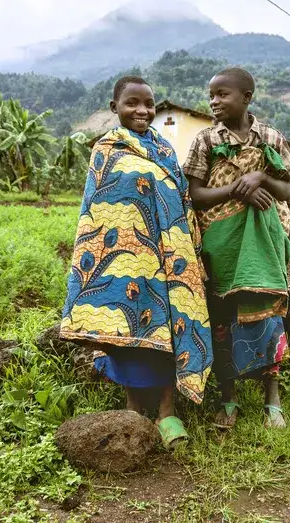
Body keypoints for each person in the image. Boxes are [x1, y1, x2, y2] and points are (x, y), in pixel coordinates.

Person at [60, 76, 212, 449]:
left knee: (167, 327)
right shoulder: (107, 149)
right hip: (120, 261)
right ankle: (131, 410)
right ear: (115, 108)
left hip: (166, 260)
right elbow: (96, 211)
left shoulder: (164, 149)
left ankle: (166, 412)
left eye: (148, 103)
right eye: (132, 103)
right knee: (125, 332)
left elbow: (180, 202)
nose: (142, 110)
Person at [184, 67, 290, 430]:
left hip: (264, 241)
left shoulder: (270, 138)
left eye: (223, 94)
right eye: (211, 95)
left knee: (267, 312)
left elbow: (286, 191)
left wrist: (260, 177)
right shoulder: (204, 140)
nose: (214, 101)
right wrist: (236, 189)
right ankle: (228, 398)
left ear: (247, 97)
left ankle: (272, 400)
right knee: (222, 316)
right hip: (221, 243)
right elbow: (196, 195)